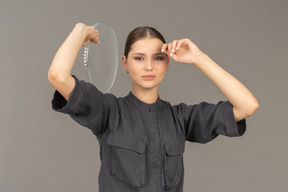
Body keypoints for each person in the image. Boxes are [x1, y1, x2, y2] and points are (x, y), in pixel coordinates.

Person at [48, 23, 259, 192]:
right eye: (139, 58)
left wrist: (199, 59)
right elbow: (58, 75)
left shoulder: (181, 118)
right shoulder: (109, 112)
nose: (149, 66)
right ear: (125, 63)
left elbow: (247, 105)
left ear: (167, 63)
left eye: (158, 58)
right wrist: (79, 31)